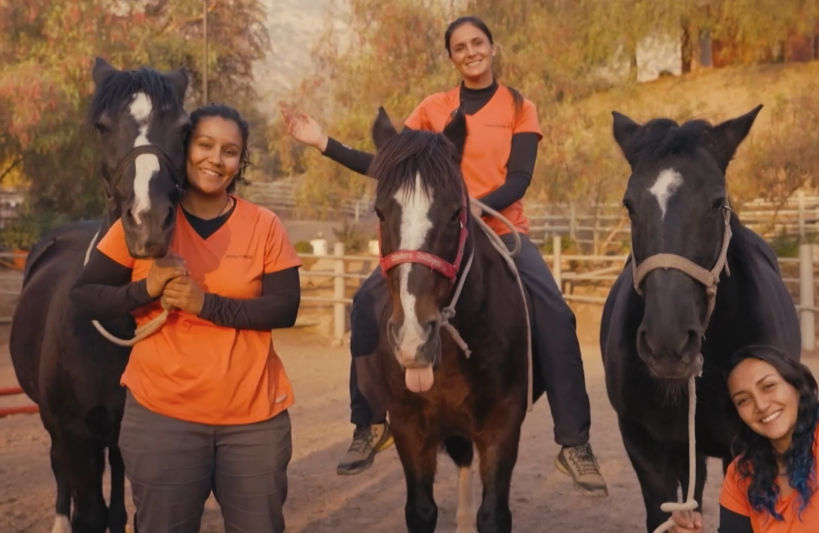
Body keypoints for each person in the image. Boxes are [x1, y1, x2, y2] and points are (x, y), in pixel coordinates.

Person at [281, 15, 607, 495]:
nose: (470, 51)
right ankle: (368, 423)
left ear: (492, 48)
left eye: (478, 42)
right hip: (434, 232)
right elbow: (390, 164)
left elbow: (519, 179)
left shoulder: (520, 106)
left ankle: (574, 442)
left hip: (501, 227)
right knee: (367, 301)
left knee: (556, 312)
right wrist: (323, 143)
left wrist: (469, 209)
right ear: (451, 57)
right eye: (460, 46)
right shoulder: (434, 109)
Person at [71, 103, 302, 533]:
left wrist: (204, 304)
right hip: (163, 420)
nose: (216, 159)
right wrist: (145, 289)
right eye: (205, 145)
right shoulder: (141, 221)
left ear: (240, 161)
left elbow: (284, 308)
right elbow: (84, 298)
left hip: (254, 423)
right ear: (182, 149)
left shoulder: (265, 225)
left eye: (230, 151)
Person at [670, 167, 819, 532]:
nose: (760, 404)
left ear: (795, 384)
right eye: (743, 400)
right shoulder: (742, 479)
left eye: (768, 386)